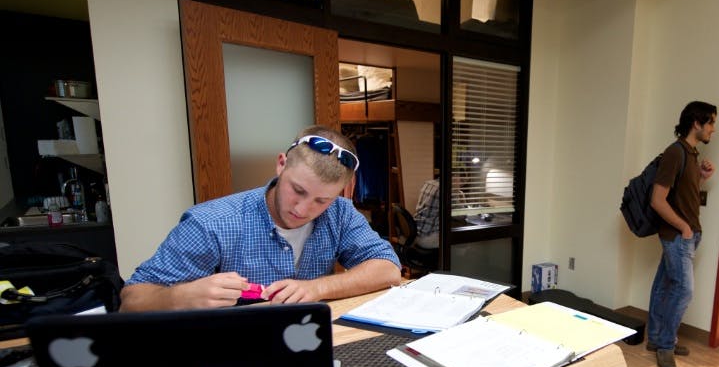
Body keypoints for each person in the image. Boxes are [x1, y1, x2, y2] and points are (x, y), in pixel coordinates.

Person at [121, 126, 402, 311]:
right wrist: (180, 297)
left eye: (321, 200)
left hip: (311, 340)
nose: (303, 210)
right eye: (298, 190)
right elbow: (131, 300)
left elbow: (388, 269)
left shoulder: (339, 213)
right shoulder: (211, 222)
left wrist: (317, 287)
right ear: (281, 164)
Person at [646, 101, 717, 367]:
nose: (713, 128)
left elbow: (681, 194)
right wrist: (683, 227)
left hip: (686, 235)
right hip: (677, 236)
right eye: (710, 122)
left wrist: (701, 177)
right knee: (683, 290)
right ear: (696, 123)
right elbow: (657, 200)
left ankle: (656, 339)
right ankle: (665, 345)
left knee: (664, 285)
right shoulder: (675, 152)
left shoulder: (691, 153)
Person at [413, 176, 465, 249]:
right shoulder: (447, 189)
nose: (461, 183)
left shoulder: (428, 183)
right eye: (461, 180)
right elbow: (461, 215)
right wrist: (457, 192)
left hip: (416, 232)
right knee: (462, 238)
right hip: (428, 238)